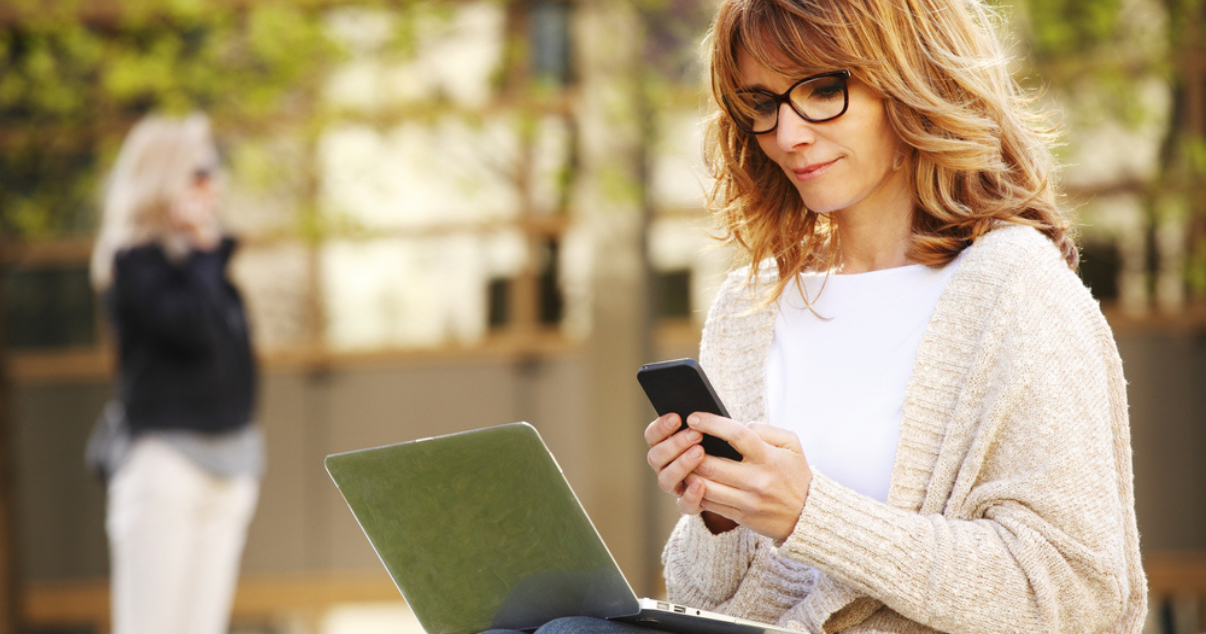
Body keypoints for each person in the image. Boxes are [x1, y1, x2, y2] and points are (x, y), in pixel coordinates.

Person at [639, 0, 1148, 632]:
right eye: (762, 104)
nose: (788, 135)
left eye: (823, 89)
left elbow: (1077, 593)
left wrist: (810, 514)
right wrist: (722, 517)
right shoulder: (748, 308)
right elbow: (706, 599)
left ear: (911, 82)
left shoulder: (1016, 291)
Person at [89, 113, 262, 634]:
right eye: (200, 171)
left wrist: (207, 252)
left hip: (231, 465)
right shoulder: (136, 263)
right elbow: (186, 328)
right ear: (164, 179)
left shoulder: (207, 267)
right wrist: (205, 253)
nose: (214, 184)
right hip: (166, 467)